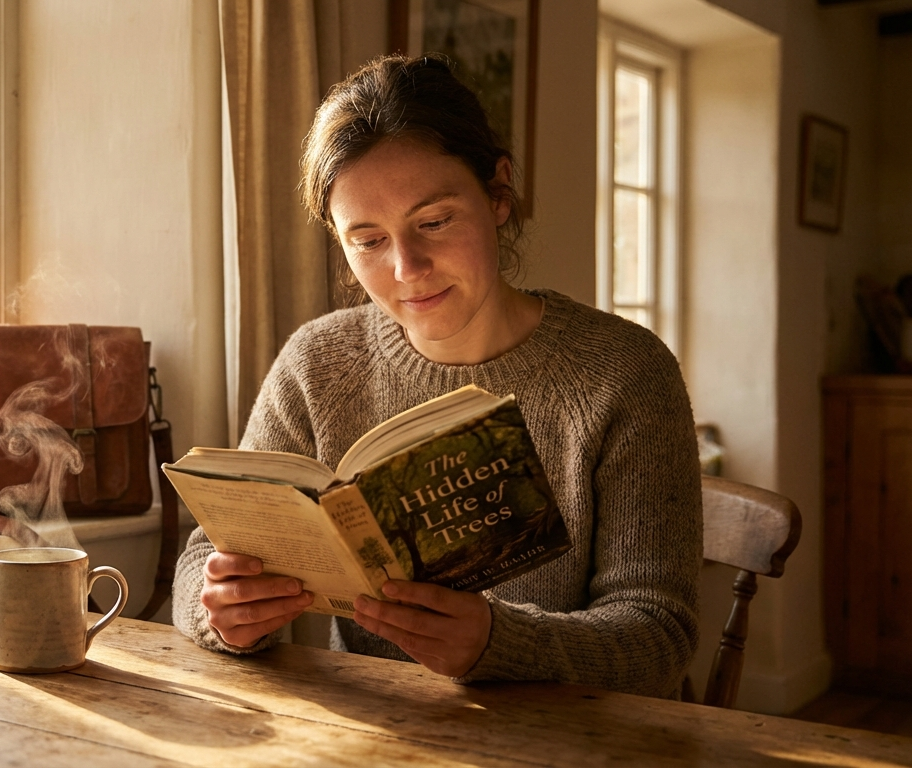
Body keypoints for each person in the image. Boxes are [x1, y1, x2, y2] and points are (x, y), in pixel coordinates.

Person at [170, 54, 704, 700]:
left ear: (498, 192)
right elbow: (202, 558)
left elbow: (659, 636)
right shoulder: (317, 363)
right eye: (367, 240)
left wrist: (497, 643)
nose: (407, 267)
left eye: (434, 222)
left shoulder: (623, 373)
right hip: (385, 735)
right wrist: (222, 612)